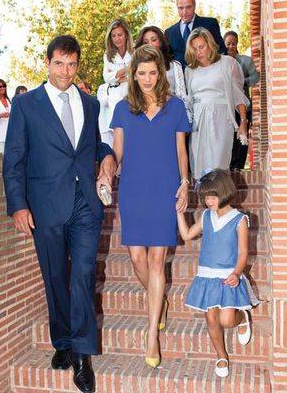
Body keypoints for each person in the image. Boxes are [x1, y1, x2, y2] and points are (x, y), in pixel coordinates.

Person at [3, 35, 117, 393]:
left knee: (82, 273)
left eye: (71, 64)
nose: (65, 71)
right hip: (46, 204)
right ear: (47, 63)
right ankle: (63, 341)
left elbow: (91, 143)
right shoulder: (26, 105)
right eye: (59, 64)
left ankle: (82, 355)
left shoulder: (91, 102)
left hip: (85, 203)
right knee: (55, 276)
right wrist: (18, 205)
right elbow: (14, 158)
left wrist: (108, 154)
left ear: (78, 65)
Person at [110, 45, 191, 368]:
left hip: (164, 188)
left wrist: (185, 183)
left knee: (158, 260)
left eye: (152, 73)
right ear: (134, 74)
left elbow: (182, 152)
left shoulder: (176, 108)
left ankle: (151, 333)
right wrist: (106, 171)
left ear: (161, 74)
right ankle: (160, 301)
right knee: (136, 258)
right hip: (133, 189)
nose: (146, 78)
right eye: (141, 73)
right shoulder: (122, 109)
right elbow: (117, 153)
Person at [177, 168, 259, 378]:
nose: (208, 201)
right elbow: (187, 235)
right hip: (207, 276)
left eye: (212, 196)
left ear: (224, 192)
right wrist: (179, 214)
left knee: (226, 320)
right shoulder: (206, 216)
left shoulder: (239, 219)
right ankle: (221, 355)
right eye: (204, 197)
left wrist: (237, 273)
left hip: (228, 277)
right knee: (212, 319)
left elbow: (243, 252)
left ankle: (242, 318)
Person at [184, 27, 250, 180]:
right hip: (198, 121)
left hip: (221, 117)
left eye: (202, 47)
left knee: (218, 164)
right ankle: (206, 202)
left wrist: (243, 122)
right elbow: (189, 99)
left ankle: (221, 202)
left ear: (210, 45)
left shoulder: (227, 63)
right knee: (199, 164)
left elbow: (238, 96)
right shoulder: (189, 70)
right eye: (194, 48)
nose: (198, 52)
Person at [135, 25, 191, 121]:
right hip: (144, 117)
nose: (150, 44)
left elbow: (182, 97)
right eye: (146, 42)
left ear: (161, 42)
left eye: (154, 40)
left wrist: (187, 121)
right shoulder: (136, 68)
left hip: (171, 117)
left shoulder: (174, 66)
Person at [165, 0, 227, 71]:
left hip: (207, 78)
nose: (184, 12)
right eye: (180, 8)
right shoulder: (169, 32)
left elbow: (221, 50)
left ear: (194, 5)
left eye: (188, 7)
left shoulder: (209, 24)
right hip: (181, 81)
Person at [224, 30, 260, 170]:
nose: (231, 46)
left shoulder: (246, 60)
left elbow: (255, 78)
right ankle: (227, 165)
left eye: (233, 43)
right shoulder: (220, 62)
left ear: (237, 44)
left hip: (243, 105)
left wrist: (240, 82)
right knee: (230, 136)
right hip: (227, 105)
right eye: (228, 43)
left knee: (242, 137)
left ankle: (238, 166)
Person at [99, 18, 134, 146]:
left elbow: (137, 75)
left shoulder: (134, 51)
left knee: (131, 132)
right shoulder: (108, 54)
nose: (117, 38)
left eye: (120, 35)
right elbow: (106, 78)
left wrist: (117, 75)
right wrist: (125, 70)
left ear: (126, 35)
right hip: (114, 95)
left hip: (130, 93)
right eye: (113, 36)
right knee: (116, 134)